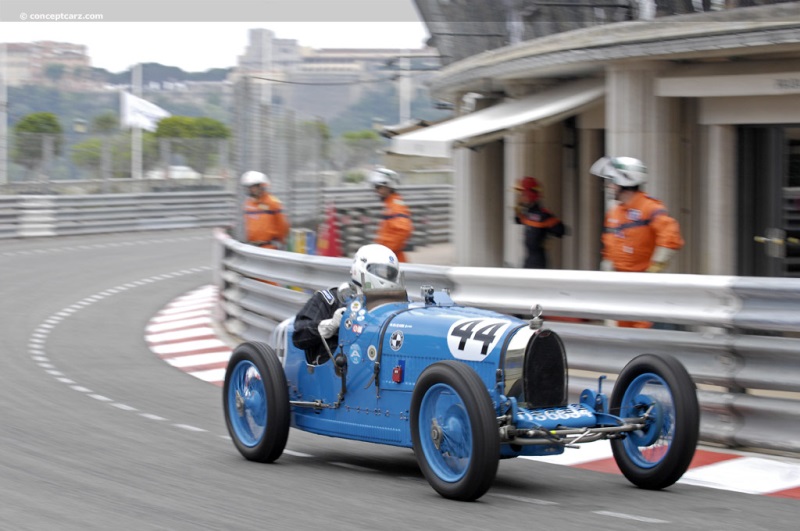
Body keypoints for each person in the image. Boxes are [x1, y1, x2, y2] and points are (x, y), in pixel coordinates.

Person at [590, 156, 684, 328]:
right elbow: (609, 248)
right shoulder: (614, 213)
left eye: (612, 181)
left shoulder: (649, 208)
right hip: (621, 288)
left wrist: (655, 268)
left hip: (643, 287)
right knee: (623, 337)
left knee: (643, 333)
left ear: (624, 180)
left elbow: (670, 237)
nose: (609, 186)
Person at [292, 243, 404, 364]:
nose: (386, 276)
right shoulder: (330, 299)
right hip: (336, 373)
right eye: (381, 271)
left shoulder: (394, 307)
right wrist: (331, 325)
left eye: (389, 273)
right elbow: (298, 336)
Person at [513, 176, 566, 269]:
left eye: (522, 194)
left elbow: (560, 230)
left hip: (538, 262)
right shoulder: (528, 213)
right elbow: (517, 219)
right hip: (528, 260)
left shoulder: (543, 215)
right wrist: (518, 206)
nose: (520, 197)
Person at [367, 167, 414, 263]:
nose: (377, 191)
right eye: (375, 187)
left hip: (393, 260)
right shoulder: (390, 205)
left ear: (388, 186)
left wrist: (384, 251)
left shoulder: (395, 206)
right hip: (391, 259)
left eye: (379, 187)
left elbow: (403, 230)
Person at [241, 170, 290, 249]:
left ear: (262, 186)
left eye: (253, 187)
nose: (250, 189)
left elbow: (282, 225)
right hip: (252, 246)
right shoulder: (248, 204)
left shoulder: (273, 203)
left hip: (269, 247)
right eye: (248, 187)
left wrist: (281, 241)